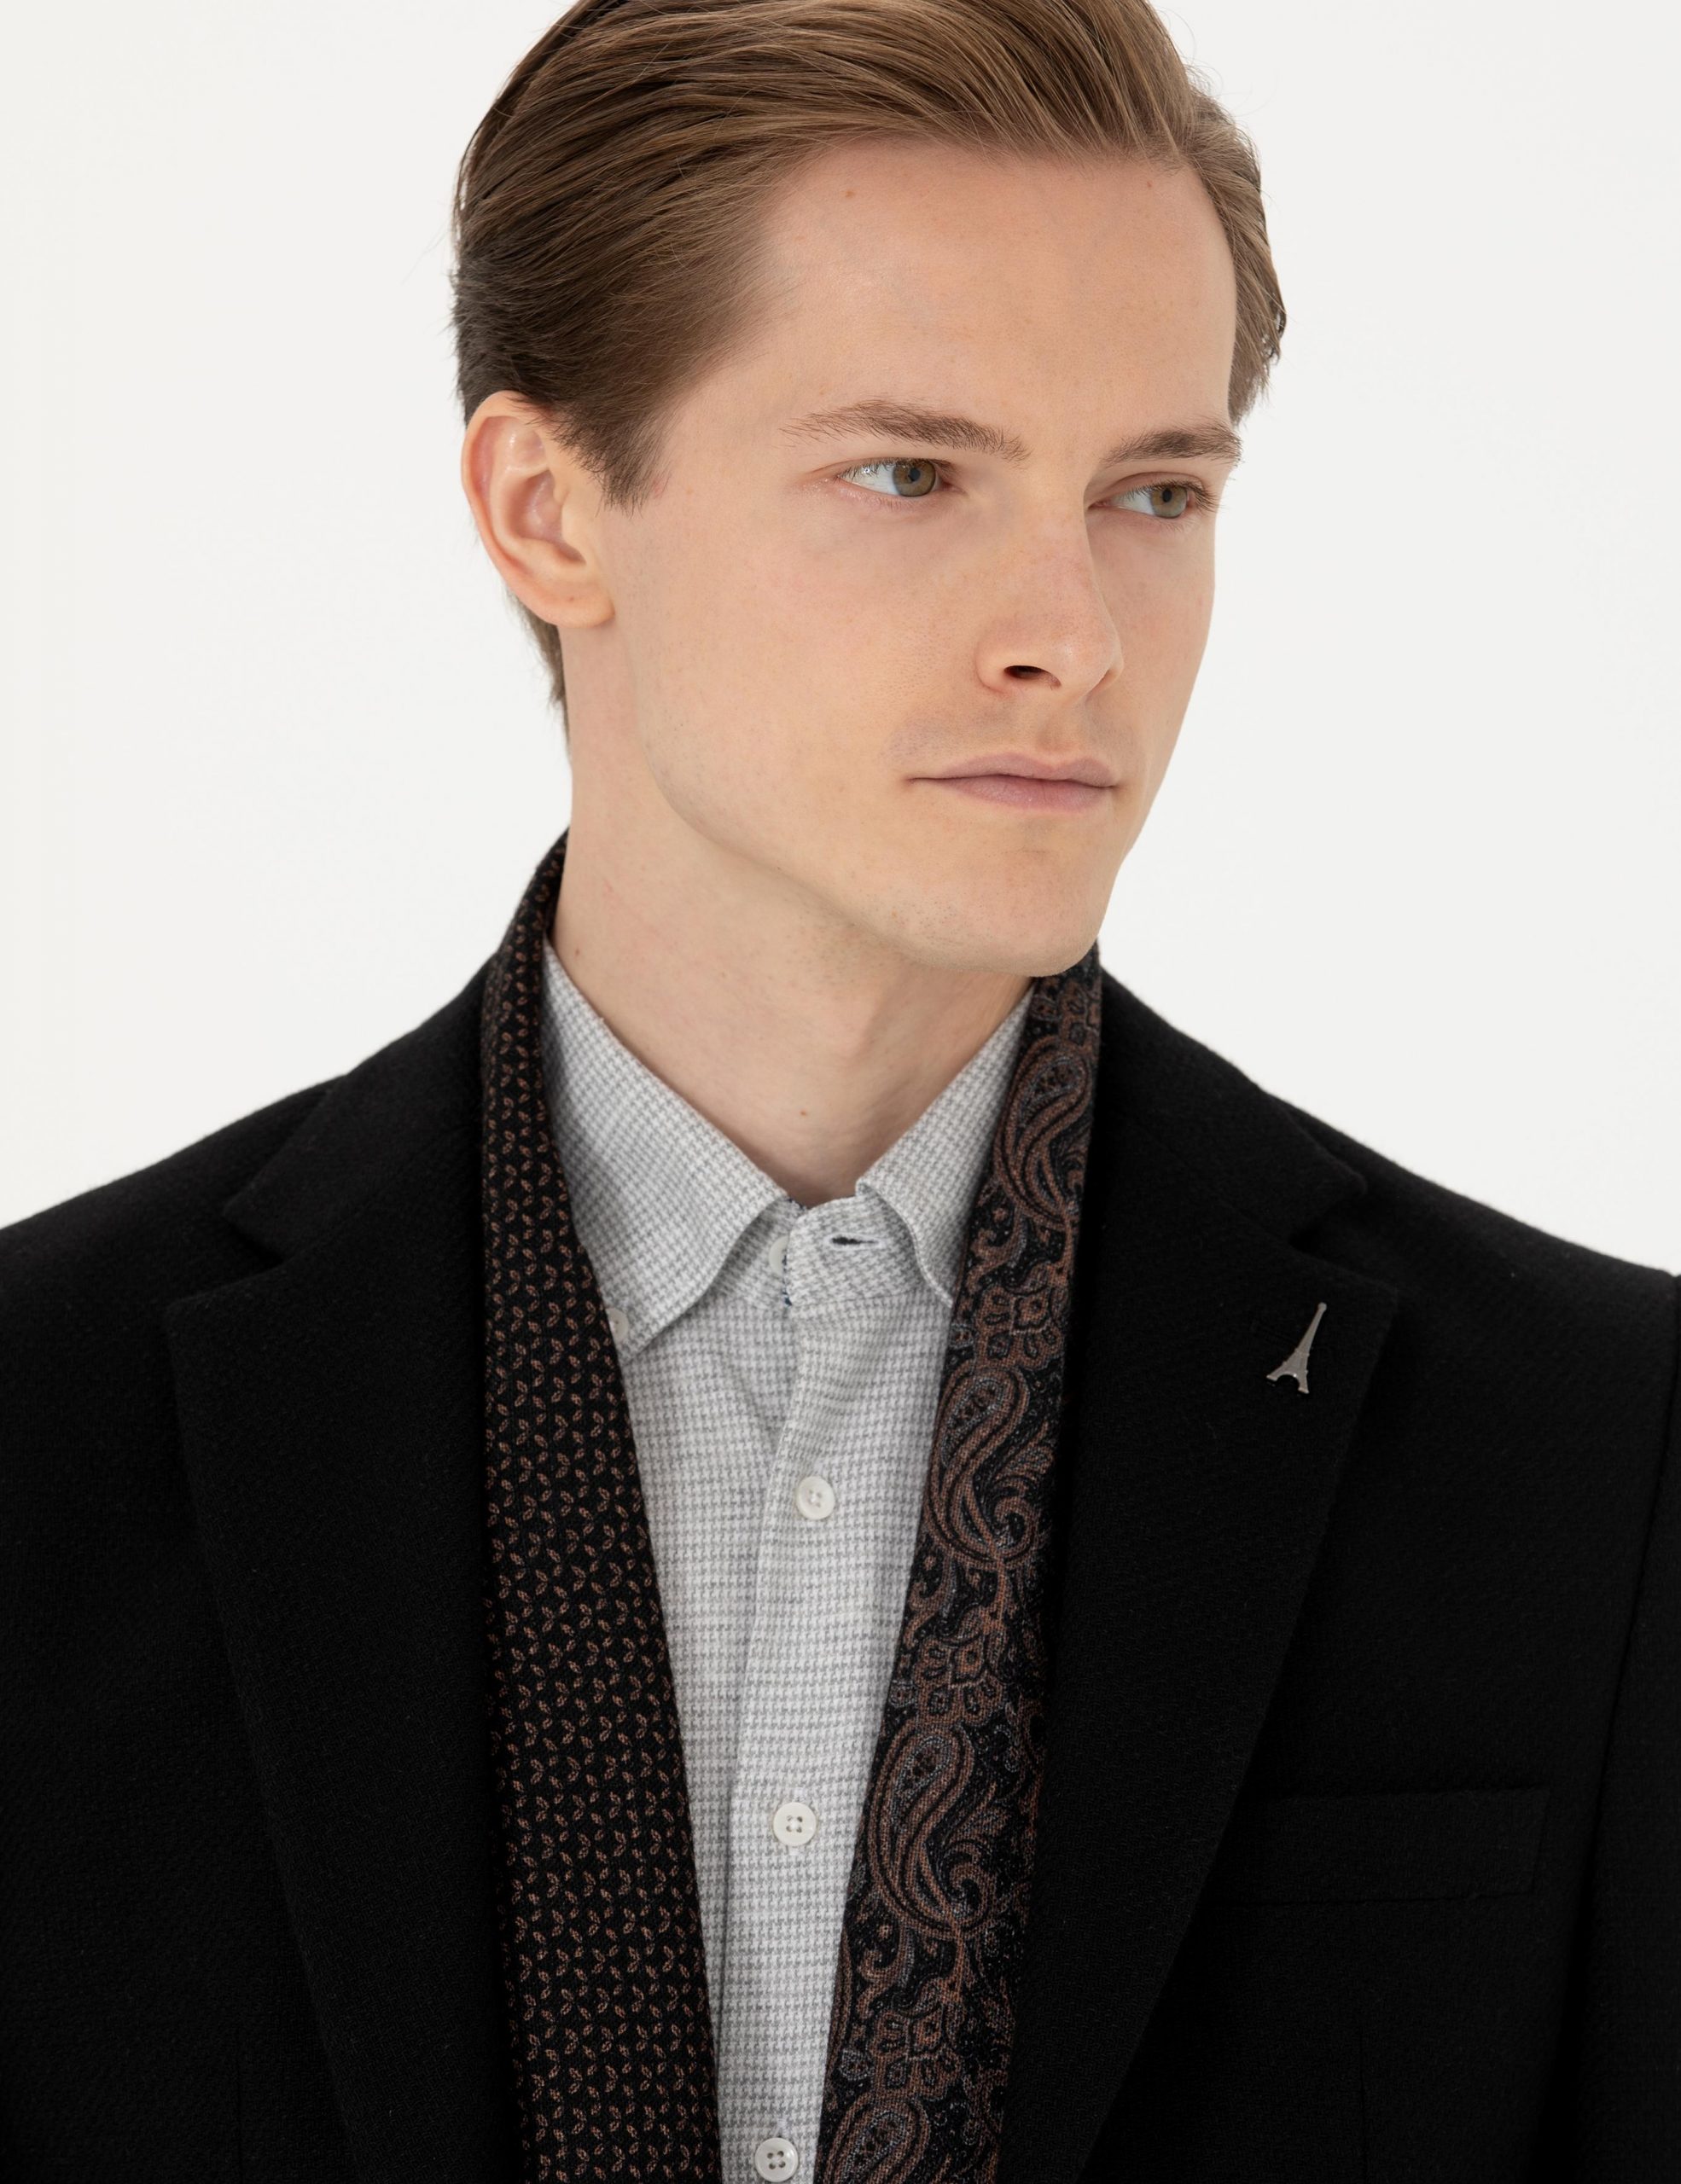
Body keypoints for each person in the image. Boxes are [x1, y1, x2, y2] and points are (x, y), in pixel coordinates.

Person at [2, 0, 1675, 2176]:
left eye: (1152, 492)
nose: (1072, 633)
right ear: (547, 508)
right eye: (910, 473)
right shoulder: (39, 1427)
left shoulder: (1594, 1450)